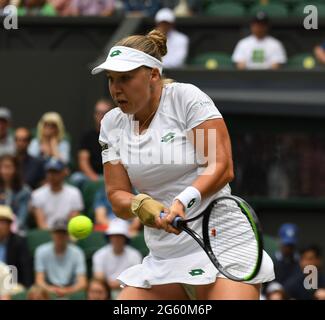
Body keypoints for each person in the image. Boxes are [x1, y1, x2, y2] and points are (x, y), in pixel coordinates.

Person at [91, 29, 275, 300]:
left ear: (153, 74)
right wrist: (141, 205)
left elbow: (221, 166)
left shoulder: (186, 99)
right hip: (164, 257)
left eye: (126, 78)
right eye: (111, 79)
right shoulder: (111, 124)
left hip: (223, 244)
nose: (116, 88)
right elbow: (116, 195)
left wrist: (182, 202)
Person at [34, 220, 87, 298]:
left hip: (71, 289)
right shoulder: (41, 251)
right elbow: (39, 281)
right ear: (51, 234)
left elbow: (82, 283)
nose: (60, 235)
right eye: (57, 232)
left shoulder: (77, 252)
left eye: (63, 232)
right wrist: (52, 290)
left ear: (68, 235)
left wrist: (67, 290)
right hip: (49, 289)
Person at [92, 218, 142, 298]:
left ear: (125, 238)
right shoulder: (99, 254)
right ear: (109, 237)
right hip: (105, 291)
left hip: (127, 290)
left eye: (119, 236)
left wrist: (120, 284)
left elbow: (137, 278)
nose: (116, 239)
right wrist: (109, 285)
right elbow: (99, 277)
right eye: (114, 236)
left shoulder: (134, 255)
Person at [70, 98, 113, 189]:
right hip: (92, 176)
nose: (101, 116)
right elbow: (83, 161)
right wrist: (94, 178)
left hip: (113, 176)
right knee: (76, 178)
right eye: (98, 113)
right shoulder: (87, 136)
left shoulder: (119, 136)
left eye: (104, 113)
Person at [30, 158, 84, 229]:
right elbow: (42, 225)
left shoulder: (74, 193)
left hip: (67, 234)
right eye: (49, 172)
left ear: (64, 172)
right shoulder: (37, 194)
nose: (51, 175)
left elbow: (73, 222)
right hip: (46, 235)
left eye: (55, 172)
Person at [0, 205, 33, 288]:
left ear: (9, 225)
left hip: (11, 285)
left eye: (3, 222)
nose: (0, 226)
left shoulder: (19, 242)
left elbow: (26, 270)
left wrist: (25, 289)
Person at [0, 155, 32, 233]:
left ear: (16, 169)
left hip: (15, 233)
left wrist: (6, 231)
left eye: (9, 167)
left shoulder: (24, 191)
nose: (5, 171)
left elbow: (21, 219)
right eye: (3, 167)